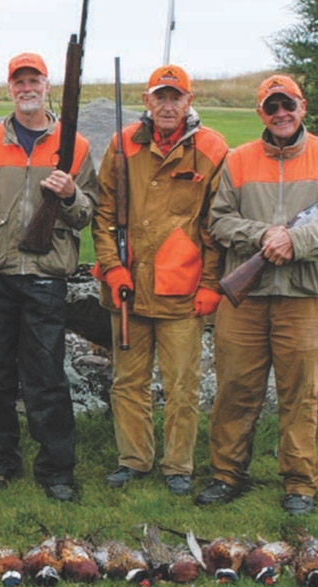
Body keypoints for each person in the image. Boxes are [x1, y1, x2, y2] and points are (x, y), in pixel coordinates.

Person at [196, 75, 318, 515]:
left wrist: (296, 242)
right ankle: (227, 474)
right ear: (260, 114)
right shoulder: (238, 160)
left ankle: (300, 483)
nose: (281, 113)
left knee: (299, 391)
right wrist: (264, 236)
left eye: (288, 105)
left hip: (306, 295)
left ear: (302, 107)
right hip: (246, 298)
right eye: (272, 107)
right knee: (235, 388)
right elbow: (220, 221)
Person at [0, 53, 96, 502]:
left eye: (34, 80)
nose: (26, 88)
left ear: (48, 86)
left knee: (46, 376)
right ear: (9, 89)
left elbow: (89, 212)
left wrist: (70, 195)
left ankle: (56, 469)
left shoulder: (78, 147)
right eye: (19, 82)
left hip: (45, 277)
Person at [93, 64, 228, 496]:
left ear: (190, 102)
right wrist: (112, 268)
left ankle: (178, 466)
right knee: (127, 382)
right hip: (128, 287)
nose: (168, 105)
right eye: (160, 97)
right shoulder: (122, 144)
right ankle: (133, 459)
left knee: (182, 385)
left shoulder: (211, 148)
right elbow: (103, 216)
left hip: (182, 291)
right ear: (147, 101)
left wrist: (210, 284)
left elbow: (214, 225)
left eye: (176, 97)